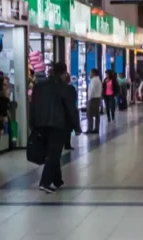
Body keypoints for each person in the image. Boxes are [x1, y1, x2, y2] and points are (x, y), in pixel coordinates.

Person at [31, 62, 79, 193]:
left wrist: (32, 123)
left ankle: (57, 181)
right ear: (64, 73)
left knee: (52, 152)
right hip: (58, 125)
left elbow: (33, 105)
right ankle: (45, 182)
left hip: (41, 124)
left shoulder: (39, 86)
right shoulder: (66, 88)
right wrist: (77, 126)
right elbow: (71, 109)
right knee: (54, 153)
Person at [85, 68, 103, 134]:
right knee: (96, 114)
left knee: (89, 114)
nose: (90, 74)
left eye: (90, 73)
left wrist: (89, 99)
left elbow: (92, 90)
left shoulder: (94, 81)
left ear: (94, 73)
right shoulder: (98, 80)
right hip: (97, 99)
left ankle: (90, 129)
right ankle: (96, 128)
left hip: (93, 99)